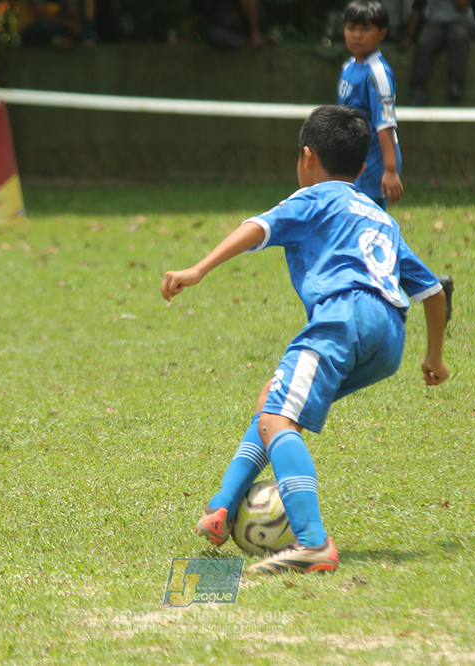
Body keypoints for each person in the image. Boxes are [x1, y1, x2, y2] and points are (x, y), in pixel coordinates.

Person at [160, 105, 450, 575]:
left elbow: (257, 227)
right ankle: (222, 508)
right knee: (272, 400)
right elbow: (433, 292)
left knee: (278, 418)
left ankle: (313, 543)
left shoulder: (313, 197)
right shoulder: (380, 217)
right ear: (362, 166)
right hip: (389, 337)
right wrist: (434, 355)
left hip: (342, 318)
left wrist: (198, 269)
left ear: (307, 157)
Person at [337, 1, 402, 210]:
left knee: (369, 216)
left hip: (374, 161)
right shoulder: (348, 66)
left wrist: (390, 170)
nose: (357, 35)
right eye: (351, 28)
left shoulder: (378, 73)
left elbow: (385, 124)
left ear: (381, 33)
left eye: (365, 29)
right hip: (352, 158)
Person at [399, 0, 475, 105]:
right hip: (436, 23)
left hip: (462, 21)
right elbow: (417, 9)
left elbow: (462, 7)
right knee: (424, 42)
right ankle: (418, 90)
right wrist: (408, 37)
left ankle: (456, 85)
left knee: (458, 36)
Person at [186, 0, 274, 49]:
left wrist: (255, 33)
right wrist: (190, 36)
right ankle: (248, 41)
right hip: (232, 32)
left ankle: (257, 37)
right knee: (212, 34)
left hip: (251, 23)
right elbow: (197, 16)